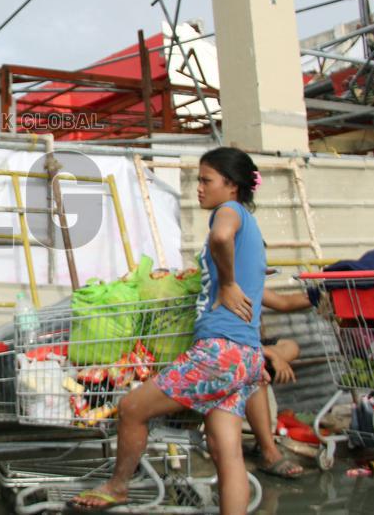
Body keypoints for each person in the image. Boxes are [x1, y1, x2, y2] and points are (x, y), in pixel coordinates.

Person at [73, 147, 266, 514]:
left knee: (131, 408)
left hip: (220, 352)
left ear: (231, 185)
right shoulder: (253, 229)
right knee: (229, 457)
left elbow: (220, 238)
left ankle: (118, 486)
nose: (198, 187)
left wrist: (225, 283)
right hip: (247, 357)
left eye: (206, 180)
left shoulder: (228, 212)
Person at [245, 289, 310, 479]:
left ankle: (263, 360)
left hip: (254, 344)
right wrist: (272, 355)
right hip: (235, 344)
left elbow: (285, 302)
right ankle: (269, 452)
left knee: (291, 347)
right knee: (256, 370)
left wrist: (320, 296)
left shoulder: (251, 279)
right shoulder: (226, 282)